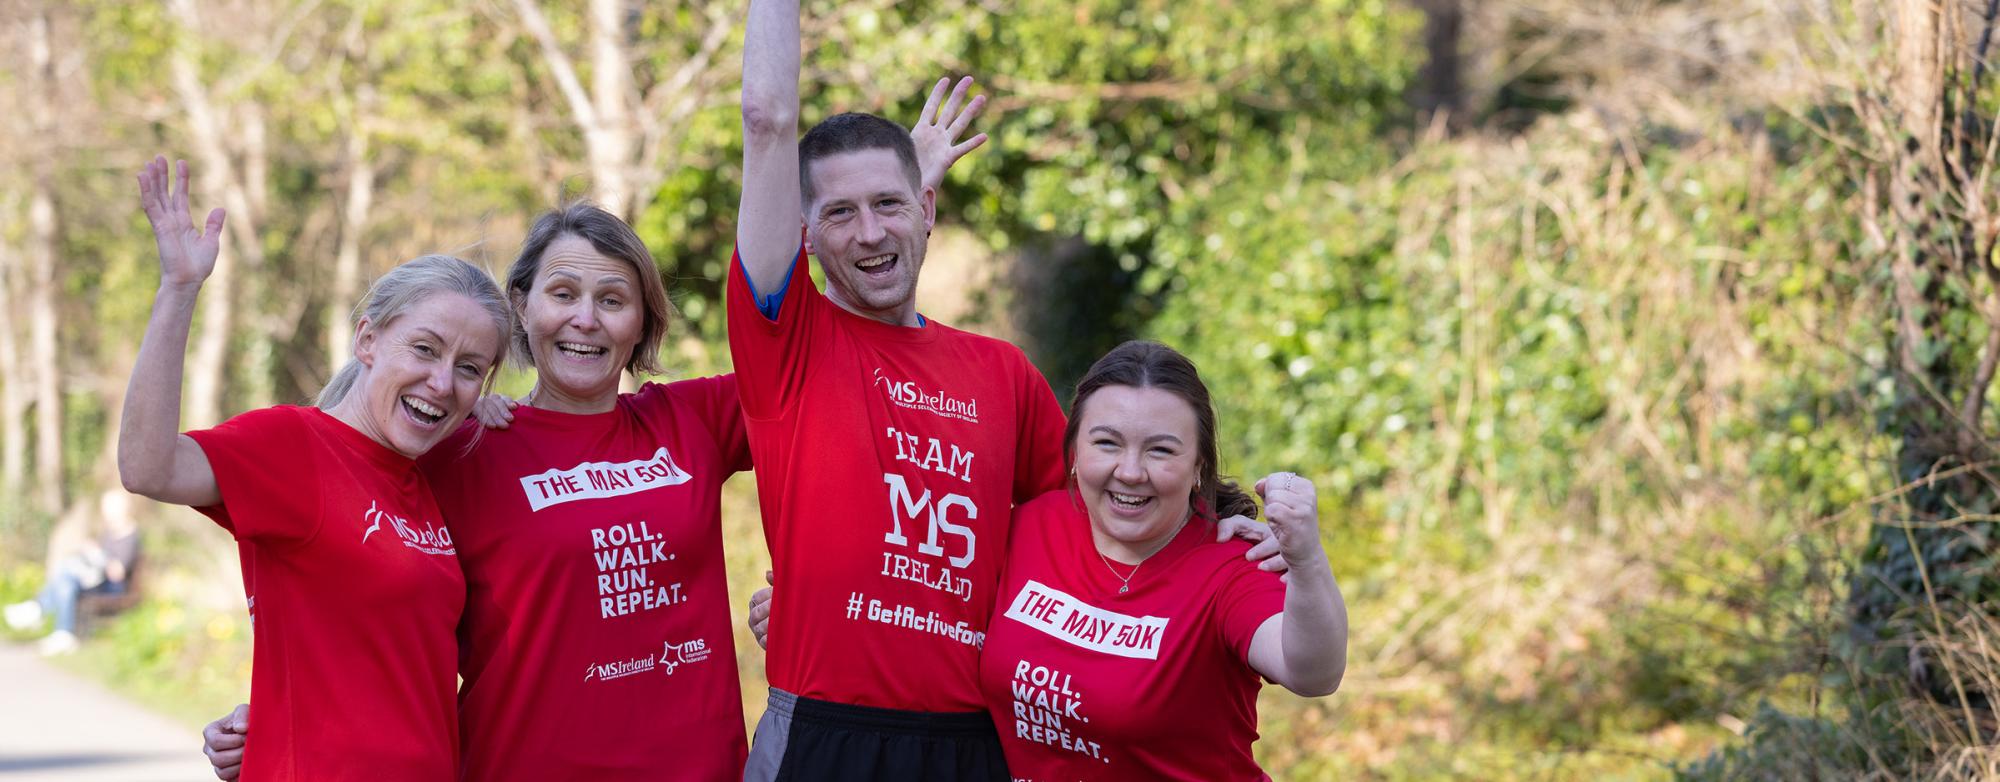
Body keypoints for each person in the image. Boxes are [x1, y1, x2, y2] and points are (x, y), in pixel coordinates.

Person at [199, 82, 999, 781]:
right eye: (562, 293)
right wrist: (271, 710)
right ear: (521, 308)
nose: (585, 318)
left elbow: (823, 353)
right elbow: (357, 592)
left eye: (613, 298)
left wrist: (897, 207)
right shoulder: (457, 446)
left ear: (642, 321)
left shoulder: (692, 419)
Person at [731, 5, 1286, 778]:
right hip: (828, 736)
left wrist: (1220, 536)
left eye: (889, 205)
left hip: (976, 744)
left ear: (927, 207)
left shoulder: (1002, 374)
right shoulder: (788, 343)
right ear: (803, 234)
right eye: (840, 214)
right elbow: (766, 120)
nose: (868, 233)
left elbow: (1107, 509)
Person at [119, 156, 511, 781]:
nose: (442, 381)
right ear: (367, 341)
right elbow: (148, 467)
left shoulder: (430, 474)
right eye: (425, 348)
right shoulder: (295, 447)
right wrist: (178, 289)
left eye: (469, 368)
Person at [979, 340, 1347, 780]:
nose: (1131, 472)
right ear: (1076, 451)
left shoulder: (1230, 565)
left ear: (1198, 466)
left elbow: (1312, 672)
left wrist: (1306, 559)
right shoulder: (1029, 527)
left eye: (1160, 450)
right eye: (1107, 443)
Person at [5, 492, 141, 655]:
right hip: (96, 581)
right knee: (66, 577)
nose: (106, 512)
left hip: (112, 587)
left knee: (66, 577)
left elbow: (117, 573)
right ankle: (57, 629)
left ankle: (40, 612)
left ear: (123, 509)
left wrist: (99, 555)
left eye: (109, 508)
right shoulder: (108, 533)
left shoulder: (130, 536)